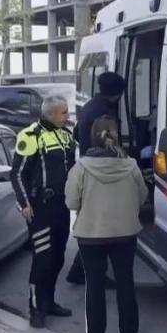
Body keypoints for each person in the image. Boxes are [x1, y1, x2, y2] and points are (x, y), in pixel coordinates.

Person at [65, 115, 148, 333]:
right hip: (125, 233)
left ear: (92, 137)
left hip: (90, 235)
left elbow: (71, 202)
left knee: (94, 283)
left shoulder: (81, 167)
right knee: (125, 281)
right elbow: (142, 196)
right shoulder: (131, 165)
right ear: (117, 136)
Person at [10, 95, 76, 329]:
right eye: (63, 113)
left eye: (67, 112)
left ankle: (49, 301)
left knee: (58, 257)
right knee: (43, 258)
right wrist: (25, 204)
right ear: (50, 114)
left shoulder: (67, 135)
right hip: (40, 207)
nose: (67, 116)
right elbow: (17, 174)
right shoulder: (30, 136)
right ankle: (35, 308)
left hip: (62, 206)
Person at [67, 71, 127, 286]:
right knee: (99, 229)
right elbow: (109, 142)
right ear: (118, 94)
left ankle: (79, 270)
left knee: (94, 226)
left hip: (88, 166)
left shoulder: (90, 106)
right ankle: (86, 272)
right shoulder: (104, 112)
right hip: (99, 170)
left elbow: (75, 135)